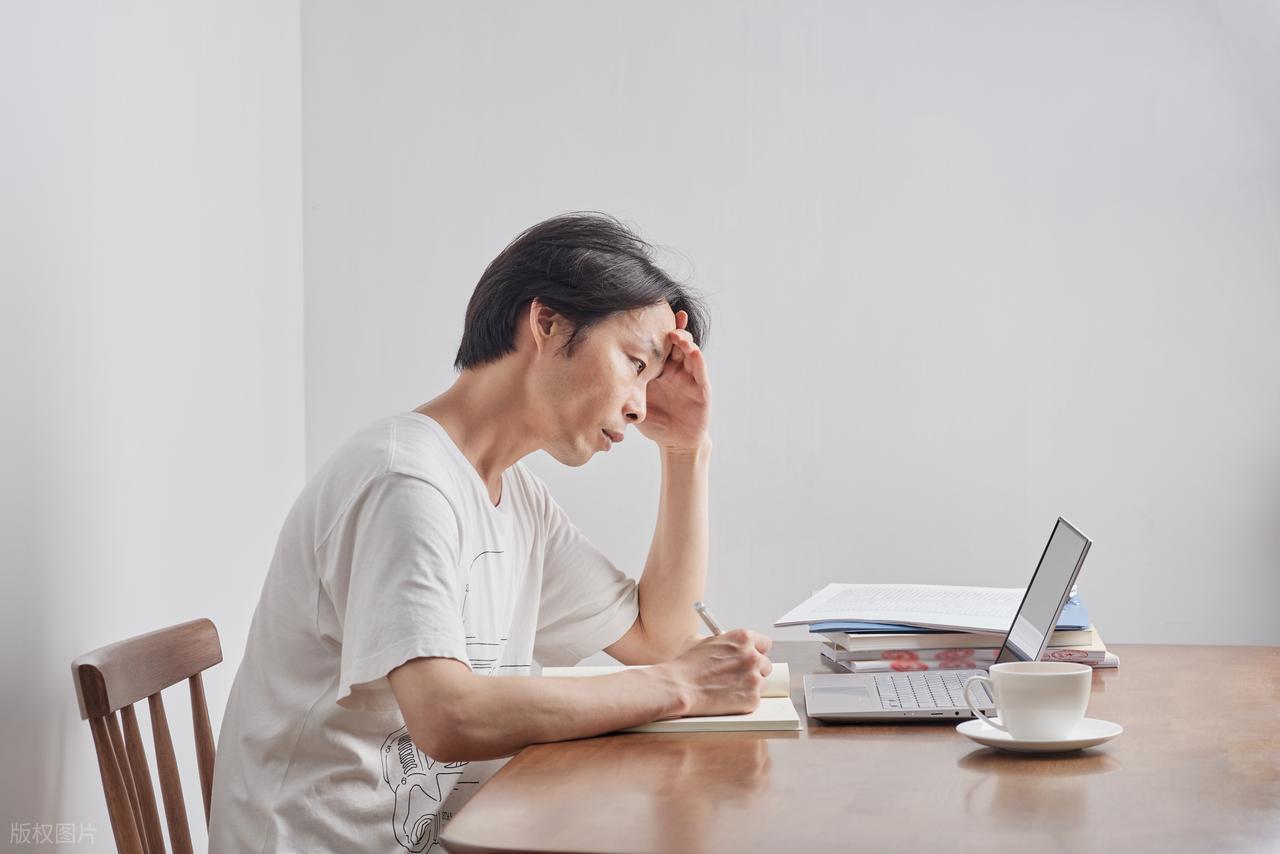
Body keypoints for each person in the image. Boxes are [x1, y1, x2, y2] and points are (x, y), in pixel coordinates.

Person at [208, 211, 773, 853]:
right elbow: (446, 716)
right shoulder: (403, 482)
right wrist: (680, 687)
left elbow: (658, 638)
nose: (640, 405)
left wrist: (684, 450)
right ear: (547, 323)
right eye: (634, 362)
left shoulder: (515, 498)